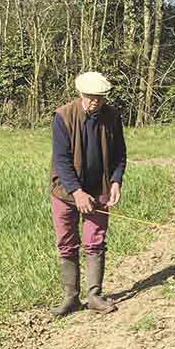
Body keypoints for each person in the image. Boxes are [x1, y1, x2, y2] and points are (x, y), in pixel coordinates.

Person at [49, 72, 127, 316]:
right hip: (65, 191)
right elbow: (61, 160)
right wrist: (77, 191)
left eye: (100, 98)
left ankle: (94, 296)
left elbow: (120, 155)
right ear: (80, 94)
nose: (95, 102)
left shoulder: (112, 116)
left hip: (99, 189)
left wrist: (115, 182)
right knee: (66, 243)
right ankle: (70, 298)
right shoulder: (62, 117)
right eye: (91, 97)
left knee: (95, 242)